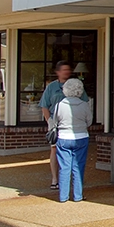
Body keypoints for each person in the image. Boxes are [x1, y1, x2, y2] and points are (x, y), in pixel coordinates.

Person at [41, 61, 89, 190]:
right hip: (56, 123)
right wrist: (49, 122)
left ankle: (74, 181)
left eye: (68, 69)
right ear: (58, 72)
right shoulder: (51, 87)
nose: (66, 72)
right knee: (54, 149)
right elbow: (44, 105)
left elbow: (85, 103)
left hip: (75, 124)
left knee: (74, 154)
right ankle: (55, 178)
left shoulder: (76, 86)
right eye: (64, 70)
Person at [52, 78, 93, 202]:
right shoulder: (85, 105)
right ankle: (78, 195)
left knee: (64, 167)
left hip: (63, 137)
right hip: (81, 137)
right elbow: (89, 122)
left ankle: (63, 196)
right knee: (78, 166)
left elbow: (55, 122)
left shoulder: (59, 105)